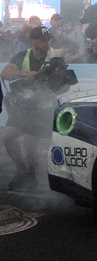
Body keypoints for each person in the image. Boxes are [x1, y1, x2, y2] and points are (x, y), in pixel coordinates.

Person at [1, 26, 71, 190]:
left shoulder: (56, 57)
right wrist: (24, 74)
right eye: (43, 40)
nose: (47, 43)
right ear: (34, 42)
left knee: (30, 148)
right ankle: (21, 169)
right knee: (7, 138)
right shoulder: (22, 56)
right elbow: (4, 74)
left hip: (42, 110)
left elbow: (66, 85)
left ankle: (31, 176)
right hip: (23, 106)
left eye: (49, 39)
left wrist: (51, 91)